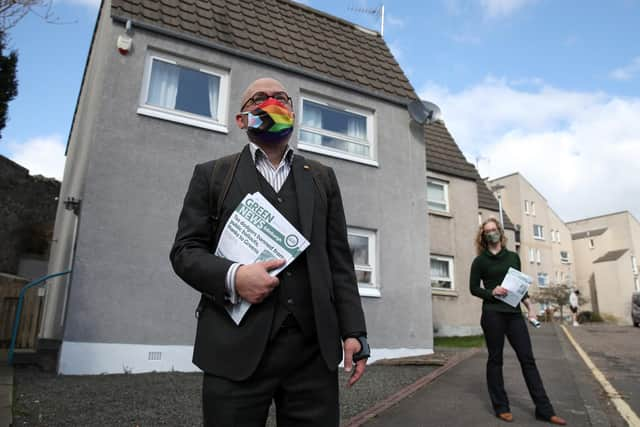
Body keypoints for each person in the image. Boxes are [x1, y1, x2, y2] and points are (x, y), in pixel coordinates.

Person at [170, 77, 369, 427]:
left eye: (281, 98)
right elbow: (185, 252)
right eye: (258, 98)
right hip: (233, 351)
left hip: (312, 354)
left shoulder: (322, 178)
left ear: (292, 112)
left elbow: (340, 262)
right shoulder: (212, 175)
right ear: (241, 119)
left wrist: (354, 332)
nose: (272, 103)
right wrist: (234, 277)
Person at [470, 217, 567, 425]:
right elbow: (473, 288)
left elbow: (520, 287)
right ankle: (501, 407)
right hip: (492, 314)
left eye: (494, 229)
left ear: (500, 233)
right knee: (495, 360)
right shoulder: (480, 261)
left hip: (514, 314)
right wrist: (491, 291)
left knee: (527, 359)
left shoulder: (513, 257)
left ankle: (544, 410)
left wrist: (530, 308)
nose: (492, 233)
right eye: (487, 231)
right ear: (483, 236)